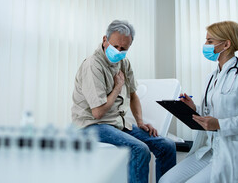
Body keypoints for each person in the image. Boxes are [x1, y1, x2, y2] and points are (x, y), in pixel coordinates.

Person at [159, 21, 238, 183]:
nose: (205, 45)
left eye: (210, 41)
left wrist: (220, 124)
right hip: (210, 150)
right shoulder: (212, 76)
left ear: (226, 44)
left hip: (237, 154)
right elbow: (212, 113)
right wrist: (194, 108)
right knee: (166, 181)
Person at [71, 20, 176, 183]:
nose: (119, 51)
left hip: (116, 124)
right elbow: (97, 113)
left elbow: (133, 95)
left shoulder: (124, 62)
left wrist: (141, 122)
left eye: (124, 49)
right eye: (115, 47)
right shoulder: (93, 65)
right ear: (105, 40)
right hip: (91, 126)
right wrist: (117, 87)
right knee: (140, 150)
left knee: (167, 146)